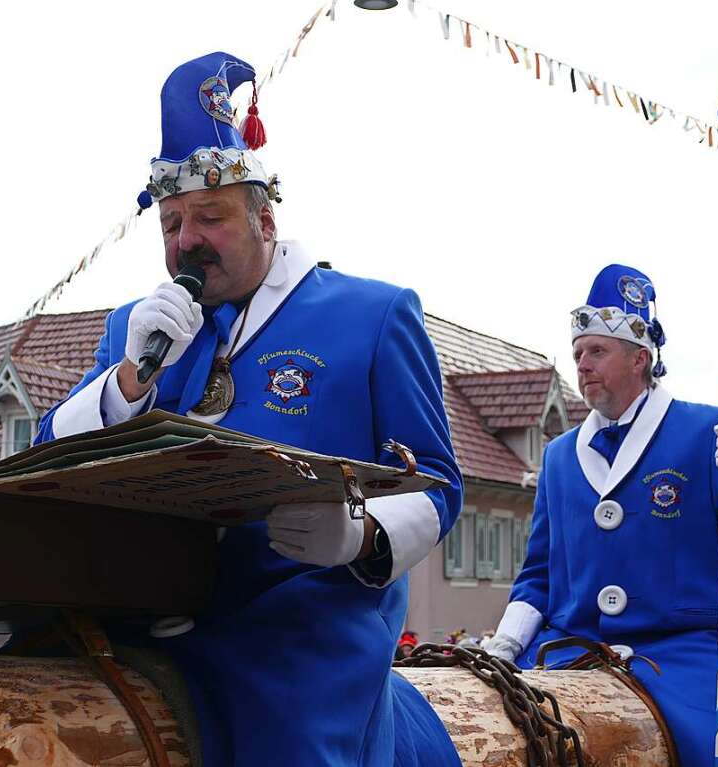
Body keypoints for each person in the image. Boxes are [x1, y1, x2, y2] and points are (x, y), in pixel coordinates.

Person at [35, 52, 463, 767]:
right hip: (139, 608)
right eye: (171, 222)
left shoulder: (374, 315)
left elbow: (439, 483)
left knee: (286, 741)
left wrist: (359, 534)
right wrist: (128, 384)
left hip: (302, 619)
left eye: (209, 216)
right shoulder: (134, 329)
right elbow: (52, 448)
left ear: (264, 218)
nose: (186, 241)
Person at [482, 264, 718, 765]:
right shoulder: (559, 457)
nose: (582, 364)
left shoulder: (709, 431)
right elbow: (538, 574)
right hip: (570, 649)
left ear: (640, 359)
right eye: (578, 353)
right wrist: (505, 641)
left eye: (597, 351)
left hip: (689, 651)